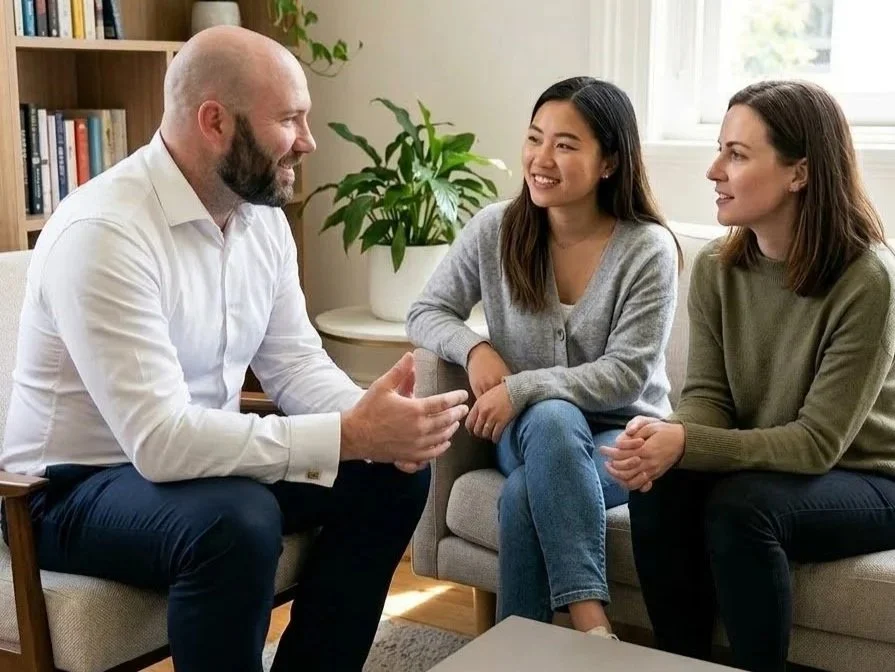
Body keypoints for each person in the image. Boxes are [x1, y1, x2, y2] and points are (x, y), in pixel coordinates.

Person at [0, 26, 470, 672]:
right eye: (289, 119)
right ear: (215, 122)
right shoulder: (105, 233)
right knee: (236, 521)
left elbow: (293, 361)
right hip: (67, 494)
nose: (307, 140)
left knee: (392, 475)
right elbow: (161, 443)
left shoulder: (260, 220)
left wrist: (377, 424)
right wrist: (346, 436)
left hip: (200, 462)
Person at [602, 80, 895, 672]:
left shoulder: (869, 278)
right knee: (659, 483)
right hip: (772, 464)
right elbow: (708, 395)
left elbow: (817, 444)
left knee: (744, 507)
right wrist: (668, 443)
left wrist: (688, 442)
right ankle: (679, 664)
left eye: (736, 154)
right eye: (719, 149)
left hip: (870, 475)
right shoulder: (715, 266)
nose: (714, 169)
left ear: (799, 173)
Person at [406, 76, 680, 638]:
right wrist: (475, 347)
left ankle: (517, 650)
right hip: (527, 431)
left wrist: (521, 388)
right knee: (554, 420)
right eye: (535, 138)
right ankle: (591, 623)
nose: (541, 158)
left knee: (527, 493)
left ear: (609, 162)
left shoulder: (646, 249)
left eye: (565, 144)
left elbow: (625, 376)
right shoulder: (495, 229)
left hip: (624, 435)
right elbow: (426, 311)